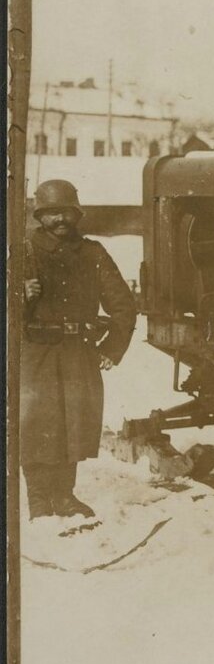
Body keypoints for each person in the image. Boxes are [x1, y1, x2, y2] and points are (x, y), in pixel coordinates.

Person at [21, 179, 137, 519]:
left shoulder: (93, 253)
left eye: (66, 212)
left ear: (77, 213)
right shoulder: (21, 251)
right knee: (36, 424)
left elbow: (123, 306)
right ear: (39, 215)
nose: (59, 220)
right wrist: (19, 295)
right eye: (51, 212)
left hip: (78, 351)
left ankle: (65, 496)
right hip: (35, 351)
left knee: (73, 423)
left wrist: (112, 348)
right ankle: (39, 500)